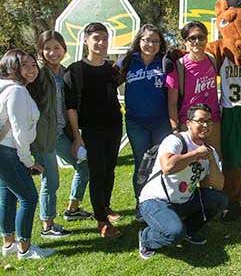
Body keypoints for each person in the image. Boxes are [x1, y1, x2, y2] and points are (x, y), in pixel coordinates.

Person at [138, 103, 227, 259]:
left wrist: (211, 160)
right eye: (200, 121)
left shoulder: (209, 151)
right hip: (155, 200)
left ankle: (189, 230)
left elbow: (218, 185)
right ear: (188, 123)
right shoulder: (176, 140)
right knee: (174, 234)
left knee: (220, 200)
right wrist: (195, 155)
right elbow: (167, 167)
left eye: (209, 121)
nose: (205, 125)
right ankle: (146, 237)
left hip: (184, 199)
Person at [27, 31, 93, 239]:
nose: (52, 52)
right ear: (41, 51)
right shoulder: (37, 73)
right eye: (47, 48)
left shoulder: (65, 72)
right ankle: (48, 225)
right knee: (51, 180)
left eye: (57, 47)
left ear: (64, 49)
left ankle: (72, 209)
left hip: (61, 133)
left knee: (84, 165)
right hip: (42, 136)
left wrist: (75, 136)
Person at [64, 22, 123, 238]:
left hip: (115, 126)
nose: (101, 43)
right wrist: (77, 137)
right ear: (85, 40)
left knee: (110, 171)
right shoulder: (76, 70)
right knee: (97, 173)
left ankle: (105, 206)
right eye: (96, 38)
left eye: (105, 39)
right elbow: (70, 107)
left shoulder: (111, 69)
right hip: (91, 130)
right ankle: (101, 221)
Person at [0, 49, 55, 259]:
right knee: (28, 198)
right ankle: (24, 247)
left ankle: (8, 244)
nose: (32, 70)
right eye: (25, 65)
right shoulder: (17, 91)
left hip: (4, 150)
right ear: (13, 67)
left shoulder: (8, 87)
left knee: (7, 197)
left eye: (34, 65)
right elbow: (20, 133)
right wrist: (28, 162)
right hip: (9, 151)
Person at [117, 24, 171, 216]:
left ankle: (161, 201)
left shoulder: (165, 61)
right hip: (135, 122)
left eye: (155, 41)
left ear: (160, 44)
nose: (150, 44)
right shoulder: (128, 61)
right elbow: (109, 81)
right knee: (142, 163)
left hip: (161, 121)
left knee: (162, 162)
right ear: (139, 41)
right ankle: (141, 203)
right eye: (146, 39)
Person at [167, 21, 221, 152]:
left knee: (214, 164)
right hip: (190, 124)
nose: (197, 41)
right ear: (185, 42)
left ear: (206, 39)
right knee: (192, 167)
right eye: (192, 38)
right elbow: (172, 102)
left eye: (201, 37)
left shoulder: (212, 60)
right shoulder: (178, 66)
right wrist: (175, 128)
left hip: (212, 122)